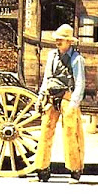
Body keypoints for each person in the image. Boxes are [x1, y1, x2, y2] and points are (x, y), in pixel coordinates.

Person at [34, 24, 86, 184]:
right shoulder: (52, 56)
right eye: (57, 39)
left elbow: (80, 83)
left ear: (69, 41)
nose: (58, 41)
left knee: (71, 133)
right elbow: (47, 78)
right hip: (51, 97)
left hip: (68, 98)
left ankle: (75, 170)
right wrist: (40, 97)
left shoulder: (77, 59)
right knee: (46, 131)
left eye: (61, 39)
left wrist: (73, 104)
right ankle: (42, 169)